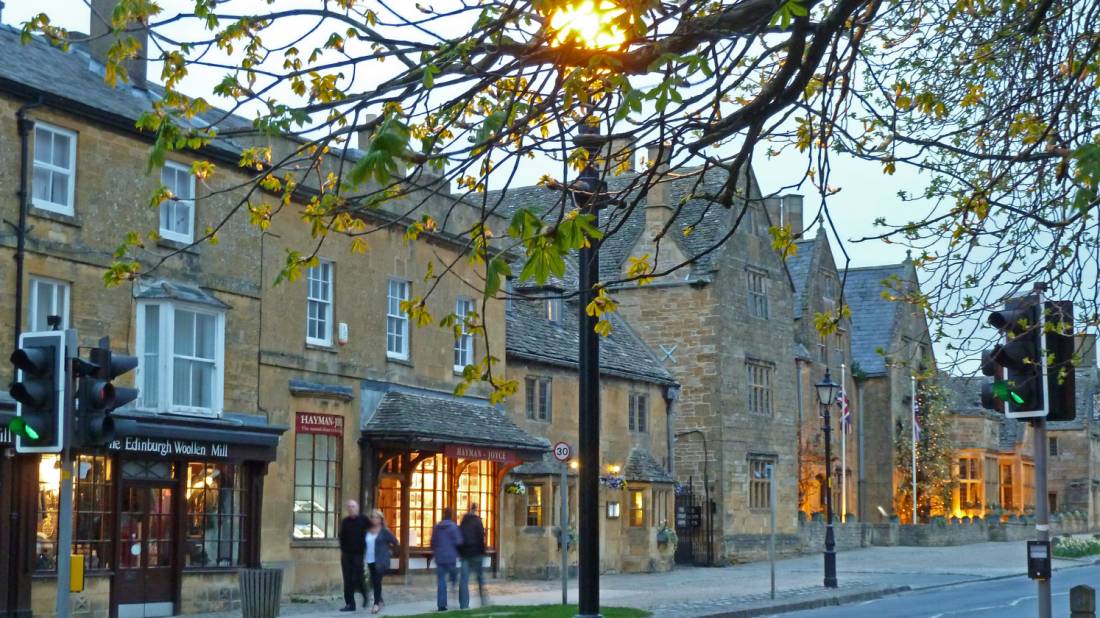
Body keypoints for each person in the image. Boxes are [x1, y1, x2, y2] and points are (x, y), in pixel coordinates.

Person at [364, 509, 399, 614]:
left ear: (380, 519)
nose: (374, 519)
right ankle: (380, 600)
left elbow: (395, 541)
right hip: (370, 559)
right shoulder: (368, 531)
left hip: (380, 560)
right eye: (372, 517)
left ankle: (376, 604)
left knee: (377, 581)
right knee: (373, 582)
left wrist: (389, 552)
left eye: (376, 517)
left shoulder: (384, 531)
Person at [338, 500, 370, 611]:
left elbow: (372, 530)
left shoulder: (363, 520)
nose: (351, 508)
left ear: (357, 508)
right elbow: (341, 536)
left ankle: (365, 595)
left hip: (358, 554)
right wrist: (343, 549)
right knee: (347, 580)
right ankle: (350, 604)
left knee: (357, 577)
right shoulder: (345, 522)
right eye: (349, 507)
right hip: (347, 554)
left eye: (353, 506)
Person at [430, 507, 463, 611]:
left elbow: (433, 542)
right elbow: (459, 541)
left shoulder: (436, 527)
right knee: (454, 576)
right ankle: (453, 587)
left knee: (441, 581)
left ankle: (442, 605)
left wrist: (436, 550)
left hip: (440, 558)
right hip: (451, 557)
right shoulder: (453, 527)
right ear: (451, 516)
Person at [458, 503, 488, 609]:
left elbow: (459, 537)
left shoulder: (464, 521)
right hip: (476, 553)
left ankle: (463, 604)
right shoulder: (478, 521)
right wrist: (483, 551)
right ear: (476, 510)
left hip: (465, 554)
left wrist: (460, 552)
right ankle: (484, 601)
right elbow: (481, 537)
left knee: (464, 580)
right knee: (480, 578)